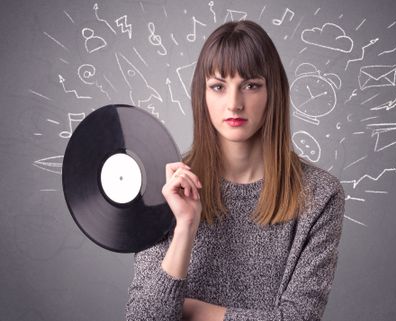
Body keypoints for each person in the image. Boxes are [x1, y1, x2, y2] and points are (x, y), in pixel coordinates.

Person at [126, 20, 345, 321]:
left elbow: (300, 317)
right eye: (218, 86)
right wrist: (185, 226)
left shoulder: (320, 195)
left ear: (273, 93)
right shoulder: (167, 188)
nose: (234, 103)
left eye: (251, 85)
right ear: (202, 95)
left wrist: (196, 312)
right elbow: (143, 318)